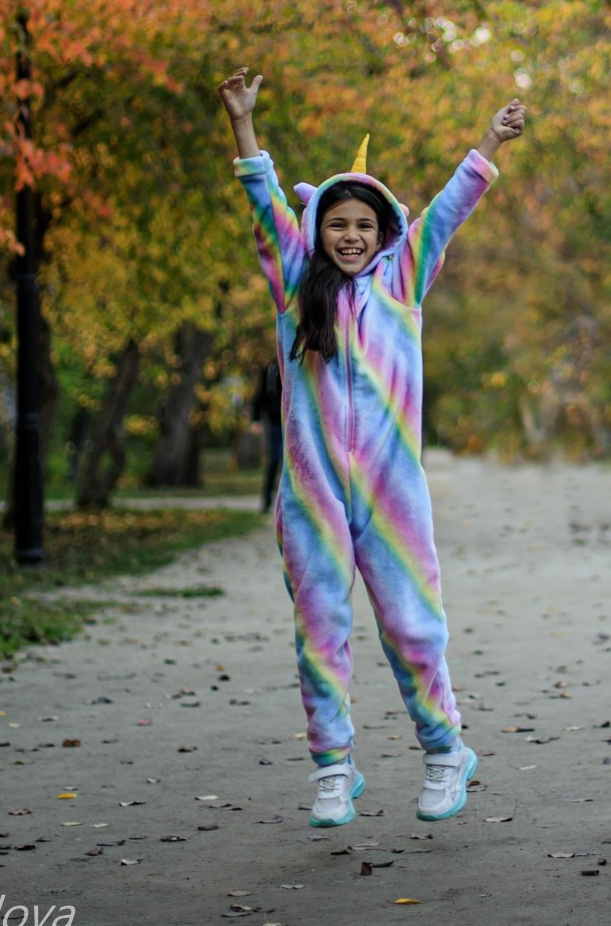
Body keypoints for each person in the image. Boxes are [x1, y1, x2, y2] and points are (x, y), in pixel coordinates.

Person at [219, 66, 526, 829]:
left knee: (411, 626)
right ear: (318, 230)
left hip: (391, 492)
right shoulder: (295, 283)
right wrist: (243, 128)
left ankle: (445, 749)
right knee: (319, 629)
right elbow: (264, 206)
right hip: (312, 493)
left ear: (383, 231)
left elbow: (452, 208)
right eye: (336, 224)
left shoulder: (403, 280)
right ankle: (332, 768)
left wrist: (490, 141)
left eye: (363, 225)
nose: (349, 237)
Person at [250, 360, 283, 512]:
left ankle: (286, 502)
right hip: (275, 422)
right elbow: (260, 394)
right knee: (274, 459)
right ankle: (267, 499)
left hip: (294, 421)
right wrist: (255, 418)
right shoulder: (271, 369)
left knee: (290, 463)